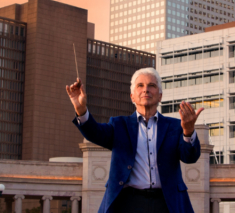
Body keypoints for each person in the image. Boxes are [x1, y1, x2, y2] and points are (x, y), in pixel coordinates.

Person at [67, 67, 203, 213]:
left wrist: (188, 131)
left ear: (160, 96)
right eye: (140, 86)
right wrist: (81, 110)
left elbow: (189, 157)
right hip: (128, 202)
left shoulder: (175, 127)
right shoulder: (118, 125)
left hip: (167, 202)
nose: (146, 90)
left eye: (152, 85)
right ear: (132, 96)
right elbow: (94, 133)